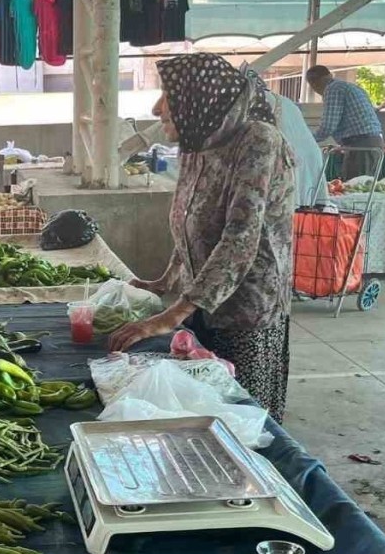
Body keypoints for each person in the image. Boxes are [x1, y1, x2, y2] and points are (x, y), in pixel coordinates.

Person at [109, 54, 296, 419]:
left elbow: (240, 237)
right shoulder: (199, 142)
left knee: (238, 410)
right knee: (198, 401)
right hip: (199, 300)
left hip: (245, 308)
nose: (158, 107)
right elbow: (190, 219)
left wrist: (171, 315)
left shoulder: (257, 141)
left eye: (169, 95)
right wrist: (167, 280)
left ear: (202, 98)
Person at [305, 64, 384, 180]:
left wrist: (306, 140)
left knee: (355, 189)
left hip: (360, 145)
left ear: (314, 84)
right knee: (365, 187)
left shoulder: (332, 89)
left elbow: (328, 126)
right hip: (372, 142)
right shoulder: (349, 87)